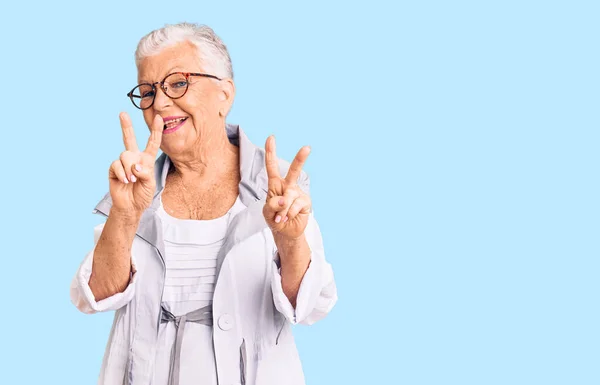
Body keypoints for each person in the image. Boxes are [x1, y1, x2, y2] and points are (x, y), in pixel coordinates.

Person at [70, 22, 337, 385]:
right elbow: (95, 296)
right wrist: (126, 213)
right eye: (147, 91)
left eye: (178, 83)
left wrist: (289, 240)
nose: (160, 103)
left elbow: (309, 307)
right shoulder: (136, 188)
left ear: (224, 94)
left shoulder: (276, 189)